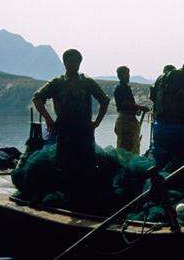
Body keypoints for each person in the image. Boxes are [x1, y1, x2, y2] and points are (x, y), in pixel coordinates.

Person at [32, 48, 110, 193]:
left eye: (76, 61)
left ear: (80, 63)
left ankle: (85, 195)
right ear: (64, 62)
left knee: (87, 164)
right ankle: (67, 195)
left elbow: (104, 101)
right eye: (70, 61)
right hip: (64, 130)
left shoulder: (87, 82)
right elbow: (37, 98)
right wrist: (48, 119)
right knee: (64, 164)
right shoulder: (57, 83)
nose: (73, 64)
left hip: (84, 130)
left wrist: (96, 122)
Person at [113, 66, 149, 155]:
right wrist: (140, 107)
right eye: (125, 74)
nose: (127, 76)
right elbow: (124, 103)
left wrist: (136, 109)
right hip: (126, 121)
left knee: (131, 147)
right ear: (119, 76)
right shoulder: (121, 88)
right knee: (127, 149)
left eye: (128, 74)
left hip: (128, 119)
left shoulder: (125, 87)